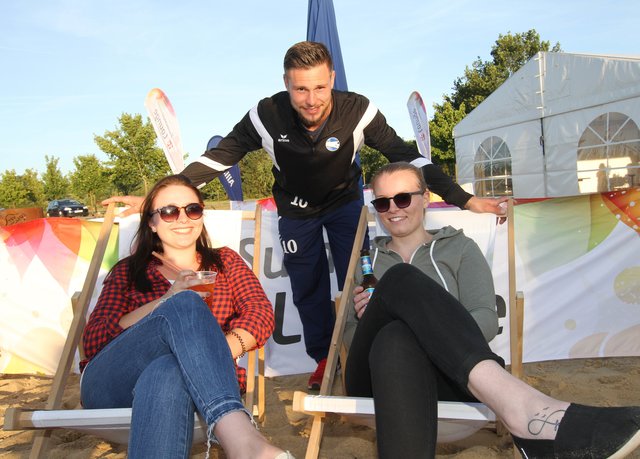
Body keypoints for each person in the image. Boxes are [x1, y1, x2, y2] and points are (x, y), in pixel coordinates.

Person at [104, 40, 508, 390]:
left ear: (332, 78)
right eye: (300, 89)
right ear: (286, 84)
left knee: (359, 280)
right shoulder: (265, 115)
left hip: (345, 204)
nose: (311, 100)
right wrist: (157, 196)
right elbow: (219, 157)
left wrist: (466, 200)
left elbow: (406, 155)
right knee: (308, 287)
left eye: (319, 87)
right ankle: (323, 358)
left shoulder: (359, 110)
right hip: (296, 211)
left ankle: (365, 351)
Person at [343, 162, 640, 459]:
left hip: (449, 378)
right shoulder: (367, 262)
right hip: (372, 380)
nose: (393, 209)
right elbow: (350, 337)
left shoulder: (459, 248)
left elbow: (485, 319)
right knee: (398, 282)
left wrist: (430, 332)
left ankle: (519, 406)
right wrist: (367, 318)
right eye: (382, 202)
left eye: (403, 198)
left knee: (397, 335)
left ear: (425, 198)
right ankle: (523, 408)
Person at [82, 175, 293, 459]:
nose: (182, 218)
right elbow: (95, 339)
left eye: (192, 210)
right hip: (111, 384)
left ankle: (243, 444)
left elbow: (260, 313)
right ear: (152, 223)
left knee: (169, 370)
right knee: (185, 302)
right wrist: (167, 300)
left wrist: (204, 355)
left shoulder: (225, 262)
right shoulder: (128, 270)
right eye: (169, 212)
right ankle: (243, 440)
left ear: (201, 216)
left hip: (194, 385)